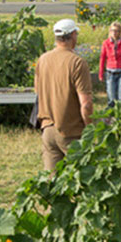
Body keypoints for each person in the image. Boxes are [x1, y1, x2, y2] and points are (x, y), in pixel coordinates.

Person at [34, 18, 94, 171]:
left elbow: (38, 91)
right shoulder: (77, 63)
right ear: (73, 35)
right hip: (71, 131)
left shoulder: (43, 60)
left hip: (47, 129)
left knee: (53, 184)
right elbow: (86, 104)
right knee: (85, 177)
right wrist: (90, 129)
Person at [98, 21, 121, 107]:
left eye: (116, 30)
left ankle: (120, 118)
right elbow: (102, 58)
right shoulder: (106, 43)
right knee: (111, 99)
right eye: (112, 30)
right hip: (110, 73)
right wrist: (101, 73)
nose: (114, 32)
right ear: (110, 31)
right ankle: (111, 118)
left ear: (120, 32)